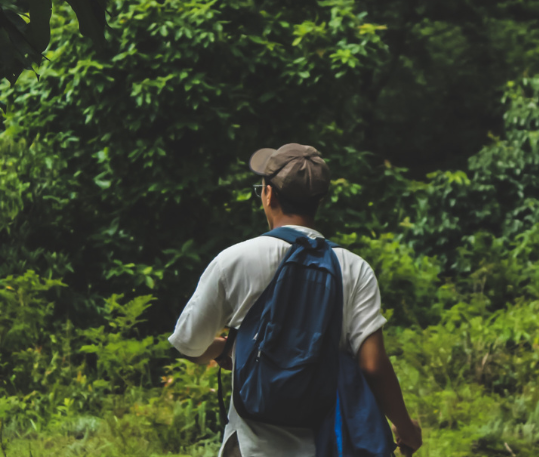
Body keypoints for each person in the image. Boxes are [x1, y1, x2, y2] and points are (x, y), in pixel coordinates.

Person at [168, 143, 422, 457]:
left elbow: (189, 345)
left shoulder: (233, 260)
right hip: (325, 443)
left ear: (268, 194)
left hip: (251, 446)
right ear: (320, 200)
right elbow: (372, 365)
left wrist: (229, 348)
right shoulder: (354, 268)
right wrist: (405, 427)